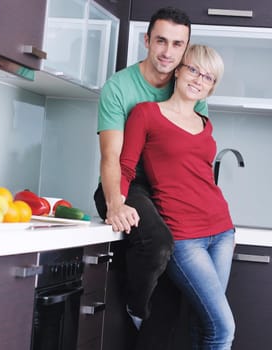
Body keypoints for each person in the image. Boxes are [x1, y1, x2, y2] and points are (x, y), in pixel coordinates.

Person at [94, 6, 207, 348]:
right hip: (128, 182)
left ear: (185, 49)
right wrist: (116, 202)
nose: (167, 52)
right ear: (147, 40)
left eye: (177, 44)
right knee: (158, 243)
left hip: (167, 186)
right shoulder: (120, 87)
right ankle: (135, 307)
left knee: (179, 276)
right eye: (160, 41)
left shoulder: (190, 86)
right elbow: (111, 156)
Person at [119, 44, 235, 349]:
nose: (198, 79)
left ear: (211, 88)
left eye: (208, 77)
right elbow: (126, 167)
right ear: (179, 70)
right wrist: (117, 203)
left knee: (205, 323)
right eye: (193, 69)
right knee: (223, 328)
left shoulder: (205, 124)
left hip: (222, 230)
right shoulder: (146, 114)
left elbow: (199, 175)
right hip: (185, 237)